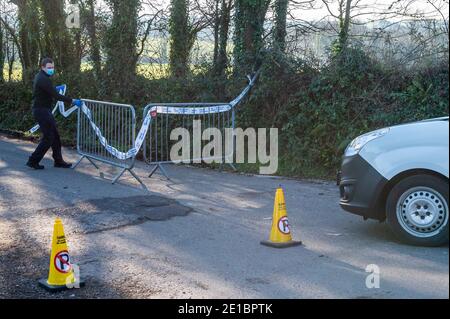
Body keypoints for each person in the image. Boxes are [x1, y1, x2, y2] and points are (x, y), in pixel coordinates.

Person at [26, 58, 83, 170]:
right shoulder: (43, 79)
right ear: (42, 67)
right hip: (41, 111)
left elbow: (47, 91)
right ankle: (33, 160)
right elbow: (56, 96)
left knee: (55, 136)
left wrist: (53, 89)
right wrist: (73, 101)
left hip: (44, 110)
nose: (51, 69)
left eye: (52, 67)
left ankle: (58, 161)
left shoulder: (41, 76)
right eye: (49, 67)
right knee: (48, 138)